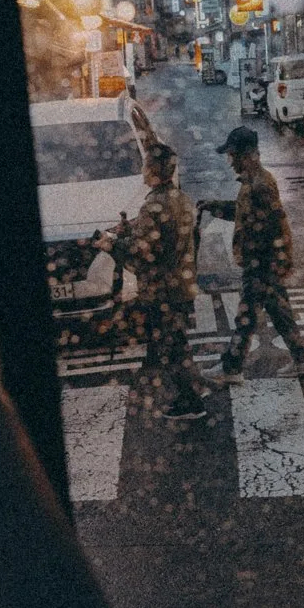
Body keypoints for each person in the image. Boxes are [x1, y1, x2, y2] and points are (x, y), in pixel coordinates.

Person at [102, 140, 211, 420]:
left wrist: (111, 245)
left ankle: (191, 402)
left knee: (168, 347)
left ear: (151, 170)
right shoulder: (181, 199)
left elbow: (142, 254)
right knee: (177, 340)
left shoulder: (154, 206)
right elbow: (169, 236)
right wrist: (129, 229)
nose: (142, 169)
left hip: (162, 291)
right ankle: (196, 386)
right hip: (182, 285)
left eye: (145, 164)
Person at [199, 124, 304, 382]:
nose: (230, 163)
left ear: (246, 154)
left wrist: (271, 263)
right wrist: (216, 207)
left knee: (246, 317)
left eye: (232, 156)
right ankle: (302, 360)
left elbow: (276, 224)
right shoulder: (254, 183)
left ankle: (231, 368)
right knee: (279, 313)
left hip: (261, 263)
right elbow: (245, 214)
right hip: (266, 263)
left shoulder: (260, 185)